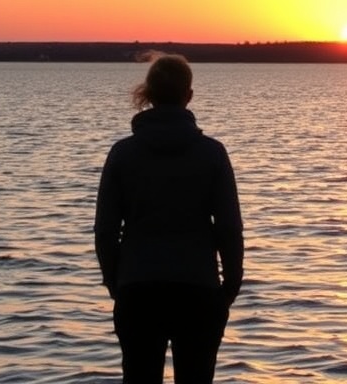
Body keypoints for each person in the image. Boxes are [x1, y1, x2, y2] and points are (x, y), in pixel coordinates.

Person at [94, 52, 244, 384]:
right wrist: (230, 285)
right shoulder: (212, 153)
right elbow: (229, 228)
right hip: (198, 290)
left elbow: (105, 230)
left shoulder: (123, 153)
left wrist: (114, 280)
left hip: (138, 290)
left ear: (148, 94)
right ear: (188, 96)